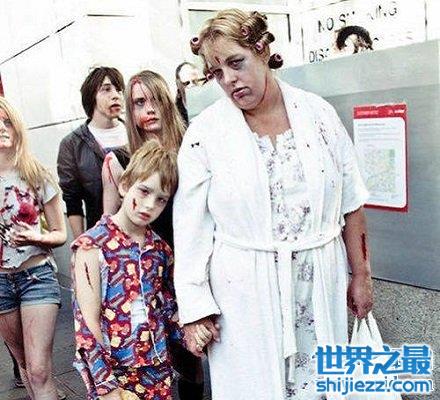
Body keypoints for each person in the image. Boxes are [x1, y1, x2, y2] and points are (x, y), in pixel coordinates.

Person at [173, 9, 373, 400]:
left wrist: (361, 275)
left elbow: (352, 201)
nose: (229, 80)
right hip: (243, 293)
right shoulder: (205, 133)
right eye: (216, 72)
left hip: (318, 280)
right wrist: (195, 307)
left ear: (262, 50)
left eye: (236, 63)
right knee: (254, 387)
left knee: (322, 386)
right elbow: (190, 226)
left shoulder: (319, 115)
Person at [72, 140, 205, 400]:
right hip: (115, 373)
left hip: (157, 370)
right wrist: (106, 386)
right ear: (124, 185)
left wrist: (193, 335)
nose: (149, 205)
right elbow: (87, 324)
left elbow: (166, 308)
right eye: (144, 191)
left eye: (161, 199)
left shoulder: (160, 250)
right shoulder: (91, 246)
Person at [102, 70, 205, 400]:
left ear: (168, 102)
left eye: (155, 100)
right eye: (138, 102)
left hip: (196, 265)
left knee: (196, 357)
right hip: (148, 274)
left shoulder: (194, 150)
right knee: (153, 362)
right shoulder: (120, 161)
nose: (148, 109)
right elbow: (109, 232)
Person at [0, 97, 67, 399]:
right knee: (25, 365)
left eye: (7, 122)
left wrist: (35, 237)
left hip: (36, 277)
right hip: (1, 282)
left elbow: (60, 233)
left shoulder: (35, 173)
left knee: (39, 369)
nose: (2, 128)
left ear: (17, 128)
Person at [57, 66, 126, 239]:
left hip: (147, 236)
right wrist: (81, 244)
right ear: (91, 96)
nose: (116, 95)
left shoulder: (135, 133)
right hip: (103, 238)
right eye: (106, 89)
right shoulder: (72, 145)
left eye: (119, 90)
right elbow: (72, 201)